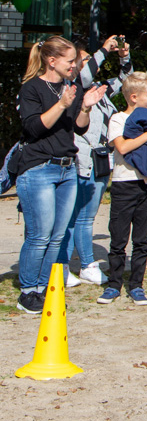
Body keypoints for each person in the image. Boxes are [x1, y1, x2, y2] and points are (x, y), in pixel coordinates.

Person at [14, 37, 107, 314]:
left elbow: (78, 128)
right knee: (39, 235)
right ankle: (27, 292)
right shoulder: (31, 88)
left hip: (68, 168)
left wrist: (85, 106)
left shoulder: (72, 87)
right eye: (69, 61)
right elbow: (34, 128)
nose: (74, 66)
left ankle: (43, 289)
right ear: (51, 61)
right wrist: (63, 104)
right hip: (38, 168)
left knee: (56, 236)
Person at [62, 35, 133, 286]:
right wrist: (103, 49)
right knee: (76, 218)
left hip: (101, 160)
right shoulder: (73, 88)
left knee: (85, 217)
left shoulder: (100, 89)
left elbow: (127, 80)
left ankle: (78, 267)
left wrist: (124, 55)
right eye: (83, 61)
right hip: (81, 159)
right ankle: (83, 265)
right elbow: (84, 74)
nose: (88, 65)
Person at [98, 72, 147, 305]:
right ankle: (114, 284)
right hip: (124, 184)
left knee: (141, 239)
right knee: (118, 238)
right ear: (134, 97)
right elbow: (123, 147)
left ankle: (137, 284)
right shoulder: (118, 119)